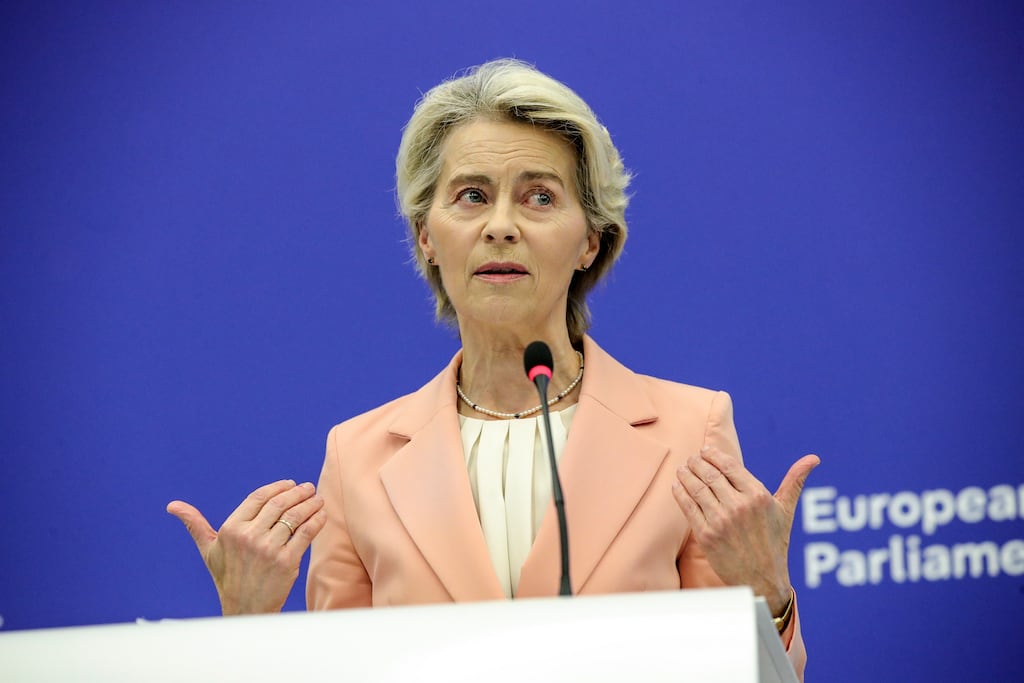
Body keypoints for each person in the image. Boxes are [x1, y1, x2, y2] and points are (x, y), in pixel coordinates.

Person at [168, 58, 817, 678]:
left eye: (539, 197)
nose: (501, 226)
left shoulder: (689, 428)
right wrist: (244, 623)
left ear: (589, 236)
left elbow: (757, 678)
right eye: (472, 196)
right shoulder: (357, 457)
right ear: (426, 232)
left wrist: (769, 595)